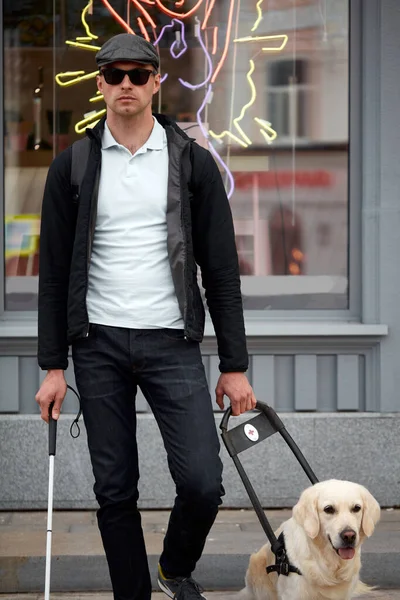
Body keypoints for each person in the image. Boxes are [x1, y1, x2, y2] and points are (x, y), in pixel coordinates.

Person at [35, 33, 256, 600]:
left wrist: (234, 365)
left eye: (138, 74)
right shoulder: (73, 166)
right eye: (114, 75)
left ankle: (173, 569)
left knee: (204, 483)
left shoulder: (192, 163)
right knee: (114, 490)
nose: (126, 84)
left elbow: (223, 272)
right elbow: (54, 274)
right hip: (98, 343)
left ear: (157, 81)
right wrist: (53, 366)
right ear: (101, 84)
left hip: (170, 341)